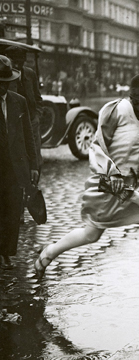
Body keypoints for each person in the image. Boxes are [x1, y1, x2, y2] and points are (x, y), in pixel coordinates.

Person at [33, 72, 139, 302]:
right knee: (91, 234)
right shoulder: (115, 111)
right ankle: (48, 254)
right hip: (109, 185)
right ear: (136, 98)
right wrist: (114, 179)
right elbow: (97, 147)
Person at [0, 55, 39, 270]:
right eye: (0, 84)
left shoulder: (18, 101)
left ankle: (6, 252)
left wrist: (33, 164)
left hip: (15, 167)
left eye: (7, 84)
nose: (4, 89)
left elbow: (28, 136)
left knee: (12, 210)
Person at [5, 46, 43, 171]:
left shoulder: (30, 74)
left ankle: (34, 182)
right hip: (13, 123)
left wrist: (37, 116)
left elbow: (38, 98)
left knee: (35, 156)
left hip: (31, 121)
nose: (17, 65)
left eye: (20, 62)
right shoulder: (5, 75)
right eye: (15, 62)